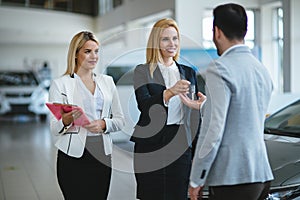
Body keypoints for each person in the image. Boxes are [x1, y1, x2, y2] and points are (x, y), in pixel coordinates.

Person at [180, 3, 274, 200]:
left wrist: (196, 178)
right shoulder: (260, 69)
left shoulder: (220, 68)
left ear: (217, 32)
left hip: (233, 176)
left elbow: (213, 130)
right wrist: (206, 105)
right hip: (261, 173)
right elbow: (244, 113)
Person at [48, 31, 125, 200]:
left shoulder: (107, 81)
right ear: (76, 54)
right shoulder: (60, 84)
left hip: (101, 153)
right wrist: (67, 119)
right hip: (72, 156)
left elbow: (120, 120)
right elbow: (54, 128)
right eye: (87, 51)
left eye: (96, 51)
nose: (94, 56)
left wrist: (103, 124)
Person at [130, 18, 199, 200]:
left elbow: (193, 115)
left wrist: (199, 107)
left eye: (175, 38)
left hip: (180, 143)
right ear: (155, 43)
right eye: (165, 39)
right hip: (150, 144)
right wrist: (169, 93)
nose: (172, 44)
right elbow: (144, 106)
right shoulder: (142, 71)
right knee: (151, 195)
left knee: (178, 194)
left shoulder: (188, 72)